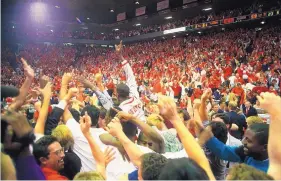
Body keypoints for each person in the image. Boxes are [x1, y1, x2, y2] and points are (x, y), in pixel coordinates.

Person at [200, 123, 269, 173]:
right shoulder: (246, 153)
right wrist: (205, 133)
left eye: (249, 141)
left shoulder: (273, 172)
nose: (243, 142)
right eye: (244, 138)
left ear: (265, 147)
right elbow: (224, 151)